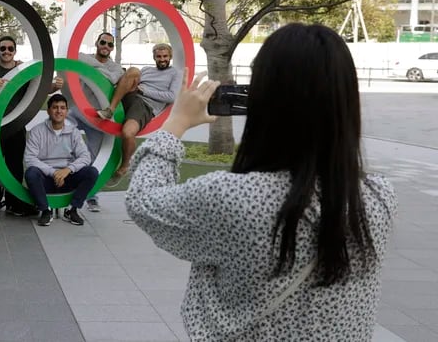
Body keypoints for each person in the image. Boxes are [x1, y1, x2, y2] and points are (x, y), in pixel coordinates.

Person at [125, 24, 397, 341]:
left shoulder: (234, 198)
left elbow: (143, 201)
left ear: (265, 98)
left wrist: (176, 123)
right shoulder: (378, 196)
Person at [0, 36, 63, 218]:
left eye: (10, 48)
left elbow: (39, 88)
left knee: (15, 165)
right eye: (3, 48)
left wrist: (55, 86)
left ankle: (13, 204)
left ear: (15, 51)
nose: (6, 51)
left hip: (15, 125)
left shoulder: (22, 70)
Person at [97, 43, 179, 185]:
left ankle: (124, 166)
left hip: (145, 105)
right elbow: (132, 80)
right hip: (131, 94)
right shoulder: (147, 69)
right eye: (159, 56)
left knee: (128, 133)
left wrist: (144, 91)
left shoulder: (175, 73)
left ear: (170, 57)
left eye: (165, 56)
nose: (162, 59)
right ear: (154, 57)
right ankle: (110, 109)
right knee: (133, 70)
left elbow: (171, 96)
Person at [69, 32, 124, 212]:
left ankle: (91, 194)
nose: (106, 47)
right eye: (103, 42)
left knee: (95, 155)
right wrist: (99, 67)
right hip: (78, 111)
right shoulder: (84, 58)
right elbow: (75, 57)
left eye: (109, 44)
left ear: (112, 48)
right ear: (97, 43)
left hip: (97, 118)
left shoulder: (115, 67)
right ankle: (62, 184)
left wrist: (94, 69)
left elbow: (113, 78)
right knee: (60, 137)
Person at [24, 94, 99, 227]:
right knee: (31, 173)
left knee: (91, 172)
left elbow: (85, 157)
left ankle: (72, 210)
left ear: (66, 111)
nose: (59, 111)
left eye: (62, 108)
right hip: (46, 178)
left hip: (67, 176)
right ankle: (45, 210)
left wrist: (68, 170)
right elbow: (30, 158)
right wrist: (53, 172)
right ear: (48, 111)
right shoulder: (37, 131)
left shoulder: (73, 132)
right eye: (55, 107)